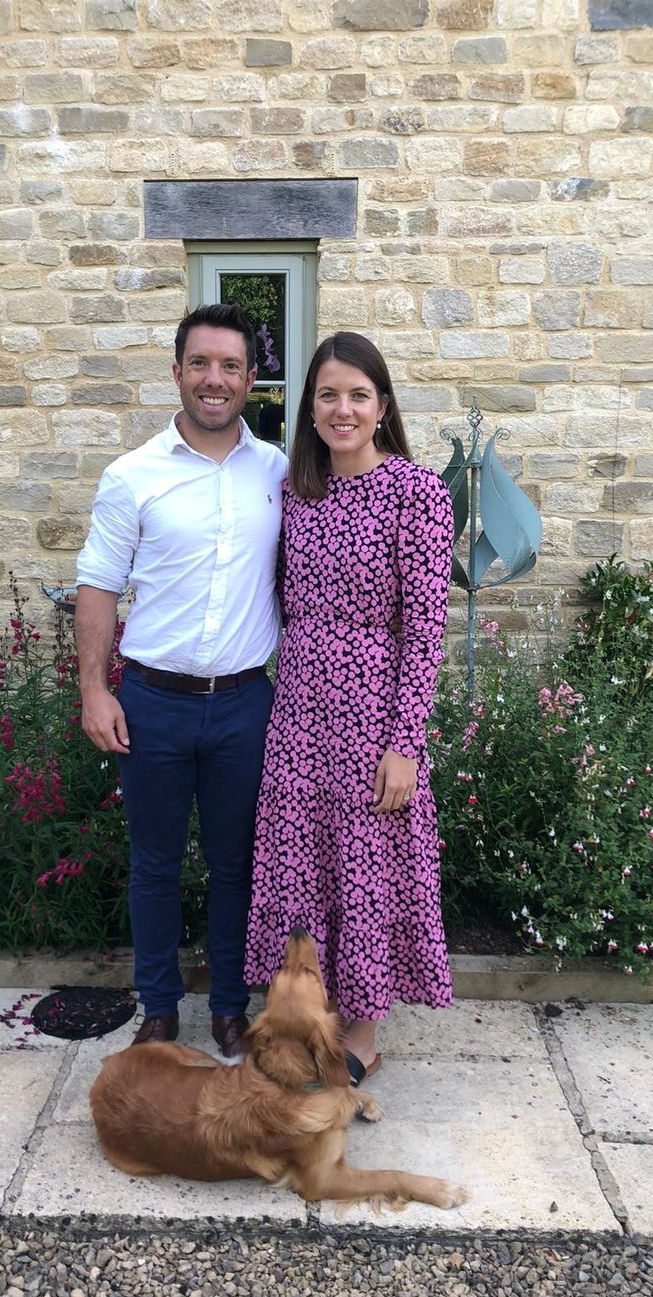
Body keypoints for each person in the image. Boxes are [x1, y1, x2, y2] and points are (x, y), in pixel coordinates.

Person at [75, 303, 287, 1059]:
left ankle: (230, 1007)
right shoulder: (132, 476)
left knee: (236, 866)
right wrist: (94, 690)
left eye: (230, 365)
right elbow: (98, 585)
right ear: (176, 372)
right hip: (153, 704)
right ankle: (159, 1008)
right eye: (200, 363)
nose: (214, 379)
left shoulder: (280, 472)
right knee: (156, 865)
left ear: (251, 379)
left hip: (244, 705)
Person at [243, 332, 455, 1084]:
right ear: (309, 409)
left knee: (367, 870)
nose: (343, 408)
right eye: (328, 394)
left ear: (383, 406)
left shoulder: (418, 492)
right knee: (303, 867)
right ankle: (305, 1016)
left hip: (373, 714)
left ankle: (362, 1036)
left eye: (358, 395)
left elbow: (426, 629)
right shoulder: (296, 493)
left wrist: (405, 743)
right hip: (298, 709)